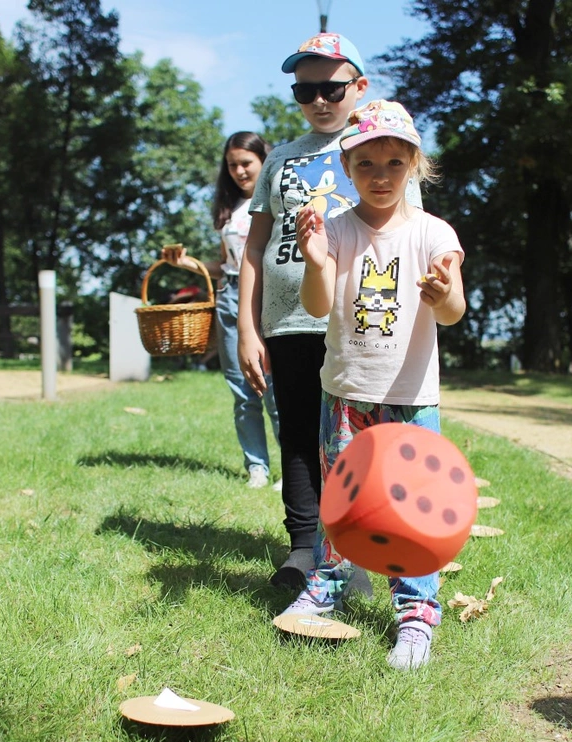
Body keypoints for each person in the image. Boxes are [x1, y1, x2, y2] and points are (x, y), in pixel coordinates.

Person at [287, 99, 466, 670]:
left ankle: (416, 614)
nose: (380, 175)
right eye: (366, 164)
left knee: (413, 509)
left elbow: (454, 310)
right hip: (346, 390)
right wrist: (316, 261)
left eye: (393, 163)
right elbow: (317, 307)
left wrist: (444, 297)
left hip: (411, 398)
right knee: (345, 502)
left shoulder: (434, 232)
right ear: (347, 168)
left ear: (413, 163)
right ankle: (329, 587)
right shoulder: (336, 231)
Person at [237, 33, 421, 588]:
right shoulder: (280, 159)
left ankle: (358, 548)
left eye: (333, 88)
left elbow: (407, 238)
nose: (319, 99)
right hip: (288, 320)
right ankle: (303, 548)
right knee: (296, 433)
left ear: (358, 87)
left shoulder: (382, 151)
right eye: (305, 89)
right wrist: (249, 326)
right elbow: (255, 245)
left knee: (355, 438)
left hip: (357, 323)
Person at [162, 132, 282, 489]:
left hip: (270, 296)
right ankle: (256, 467)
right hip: (230, 297)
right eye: (232, 165)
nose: (239, 171)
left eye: (246, 163)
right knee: (242, 388)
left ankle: (292, 468)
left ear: (264, 161)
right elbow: (225, 265)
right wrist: (188, 264)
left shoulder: (278, 202)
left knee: (274, 387)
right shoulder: (228, 212)